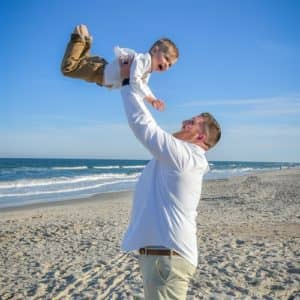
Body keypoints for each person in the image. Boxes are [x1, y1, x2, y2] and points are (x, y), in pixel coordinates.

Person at [119, 60, 221, 299]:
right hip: (161, 258)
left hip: (166, 259)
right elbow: (159, 137)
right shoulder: (179, 157)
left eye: (192, 123)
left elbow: (146, 129)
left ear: (200, 136)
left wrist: (127, 83)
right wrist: (140, 85)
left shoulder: (186, 156)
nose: (184, 122)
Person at [61, 24, 179, 111]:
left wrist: (154, 98)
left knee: (81, 63)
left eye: (170, 65)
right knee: (69, 68)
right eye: (166, 59)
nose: (167, 66)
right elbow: (134, 81)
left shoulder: (147, 70)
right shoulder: (143, 60)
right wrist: (151, 100)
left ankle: (85, 41)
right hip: (98, 72)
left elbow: (143, 86)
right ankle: (79, 39)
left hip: (101, 72)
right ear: (154, 50)